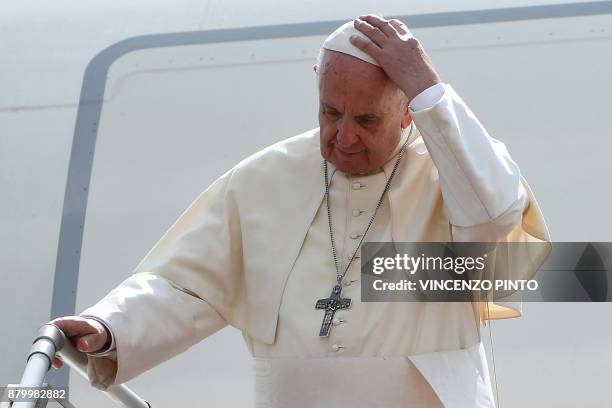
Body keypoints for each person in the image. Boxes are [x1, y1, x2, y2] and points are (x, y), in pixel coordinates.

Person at [50, 15, 550, 407]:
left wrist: (431, 93)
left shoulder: (455, 169)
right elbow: (185, 282)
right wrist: (109, 327)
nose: (344, 136)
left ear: (406, 110)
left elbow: (493, 218)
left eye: (367, 120)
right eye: (331, 113)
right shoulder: (264, 179)